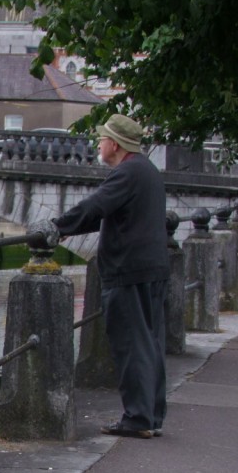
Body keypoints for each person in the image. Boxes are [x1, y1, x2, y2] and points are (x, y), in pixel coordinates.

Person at [51, 114, 169, 439]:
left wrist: (57, 227)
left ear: (114, 144)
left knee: (131, 343)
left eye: (102, 139)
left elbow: (96, 205)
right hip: (152, 269)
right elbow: (106, 213)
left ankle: (138, 418)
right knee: (150, 342)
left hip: (129, 270)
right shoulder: (147, 171)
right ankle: (151, 415)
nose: (98, 145)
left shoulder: (127, 172)